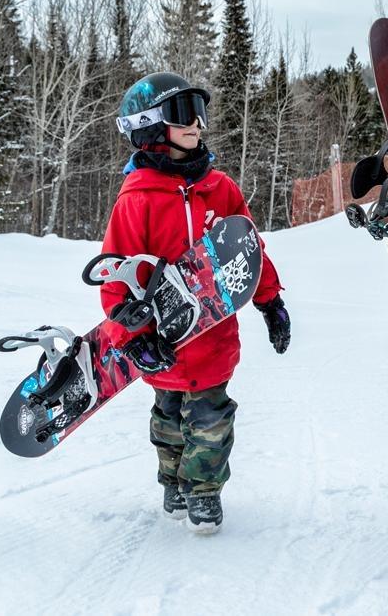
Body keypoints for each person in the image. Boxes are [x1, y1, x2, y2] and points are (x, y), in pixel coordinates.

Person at [101, 72, 290, 535]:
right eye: (185, 115)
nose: (199, 125)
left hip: (212, 336)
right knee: (167, 418)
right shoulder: (137, 199)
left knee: (210, 419)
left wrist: (270, 302)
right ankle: (173, 480)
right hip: (161, 339)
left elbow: (249, 248)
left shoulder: (220, 188)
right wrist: (132, 336)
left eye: (201, 115)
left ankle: (203, 492)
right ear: (149, 125)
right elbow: (116, 273)